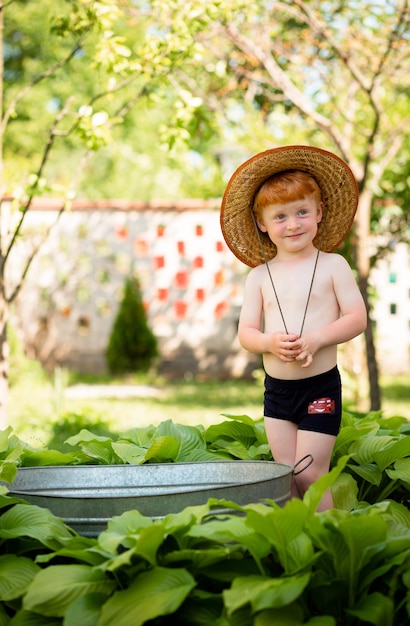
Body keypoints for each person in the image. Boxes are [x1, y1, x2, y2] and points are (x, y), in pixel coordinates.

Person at [220, 145, 367, 511]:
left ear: (319, 213)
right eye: (281, 216)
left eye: (302, 212)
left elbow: (356, 318)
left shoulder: (333, 266)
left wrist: (318, 338)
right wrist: (269, 342)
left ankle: (331, 540)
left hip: (319, 387)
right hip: (278, 393)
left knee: (310, 472)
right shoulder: (259, 277)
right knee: (286, 473)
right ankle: (303, 541)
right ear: (262, 223)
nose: (293, 224)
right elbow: (247, 333)